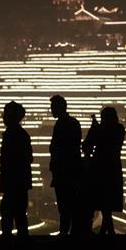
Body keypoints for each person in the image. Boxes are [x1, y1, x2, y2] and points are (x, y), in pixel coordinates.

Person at [82, 106, 126, 236]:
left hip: (100, 169)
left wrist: (94, 129)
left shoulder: (106, 130)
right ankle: (107, 232)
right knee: (106, 205)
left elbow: (88, 145)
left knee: (104, 203)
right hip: (112, 168)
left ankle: (107, 233)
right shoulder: (119, 129)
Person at [48, 94, 83, 236]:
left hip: (64, 171)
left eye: (52, 107)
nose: (51, 110)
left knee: (65, 204)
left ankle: (66, 232)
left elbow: (60, 147)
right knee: (69, 203)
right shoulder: (72, 123)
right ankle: (71, 232)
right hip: (70, 170)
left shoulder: (63, 124)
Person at [0, 101, 33, 238]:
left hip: (14, 181)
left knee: (10, 212)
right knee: (18, 213)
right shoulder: (21, 134)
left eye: (6, 114)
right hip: (19, 181)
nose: (3, 117)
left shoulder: (14, 135)